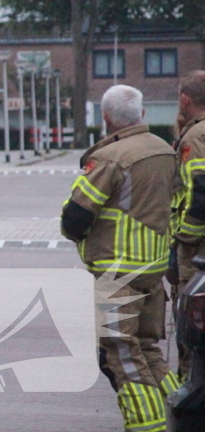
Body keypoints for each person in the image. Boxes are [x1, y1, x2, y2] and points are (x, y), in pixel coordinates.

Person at [60, 85, 178, 432]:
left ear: (106, 118)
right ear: (141, 115)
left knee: (120, 353)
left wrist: (76, 234)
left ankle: (149, 426)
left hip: (119, 272)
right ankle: (184, 415)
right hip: (153, 269)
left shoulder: (111, 158)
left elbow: (76, 216)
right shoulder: (165, 152)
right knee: (146, 349)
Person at [171, 70, 205, 379]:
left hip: (197, 253)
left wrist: (185, 237)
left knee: (191, 327)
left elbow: (200, 189)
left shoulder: (195, 137)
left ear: (185, 98)